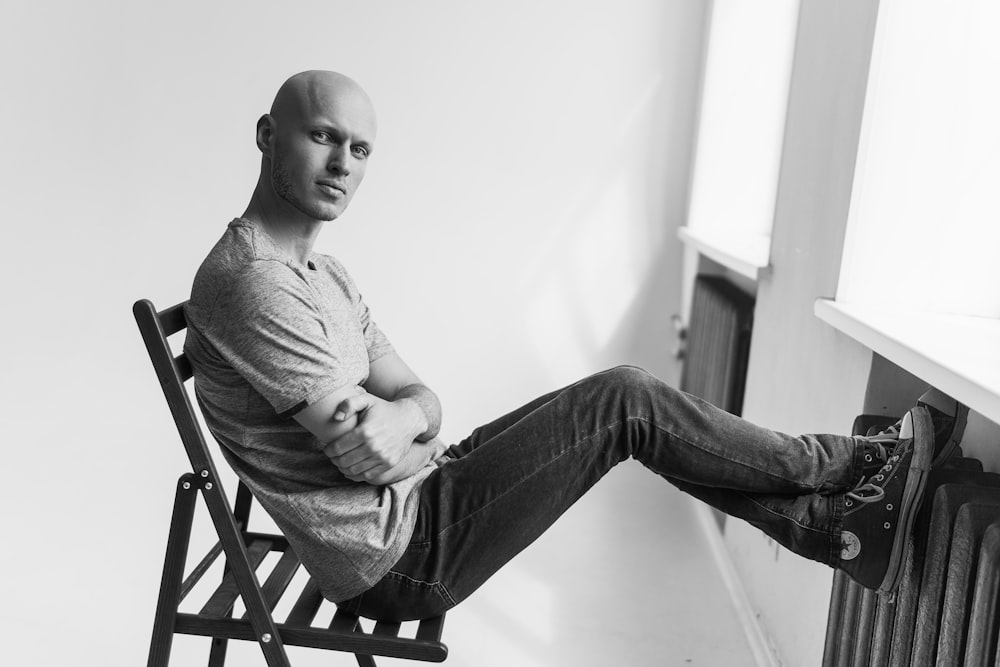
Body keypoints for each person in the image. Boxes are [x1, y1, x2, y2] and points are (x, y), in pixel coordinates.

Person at [183, 70, 969, 622]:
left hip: (429, 488)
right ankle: (848, 468)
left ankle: (836, 527)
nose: (341, 164)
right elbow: (367, 452)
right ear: (267, 134)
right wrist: (399, 426)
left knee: (627, 407)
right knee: (624, 397)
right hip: (397, 555)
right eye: (323, 136)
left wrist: (408, 415)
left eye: (360, 149)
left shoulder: (325, 271)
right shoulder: (254, 281)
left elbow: (421, 396)